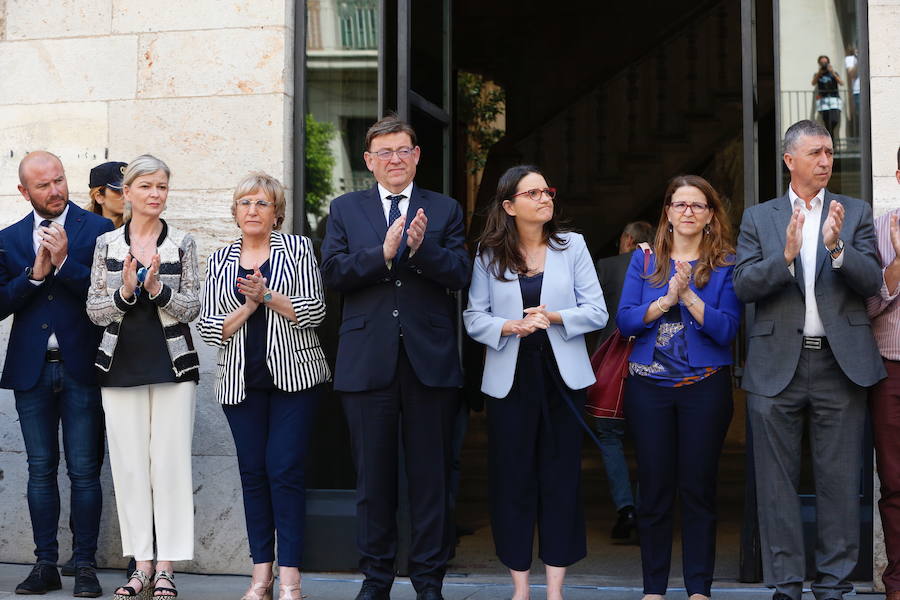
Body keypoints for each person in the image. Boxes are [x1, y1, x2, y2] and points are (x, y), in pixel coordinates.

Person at [320, 114, 470, 600]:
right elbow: (334, 274)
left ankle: (429, 581)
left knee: (431, 481)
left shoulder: (444, 209)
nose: (395, 160)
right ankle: (376, 580)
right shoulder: (345, 209)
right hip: (367, 362)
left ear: (417, 155)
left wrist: (420, 248)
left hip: (430, 361)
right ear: (368, 161)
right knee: (373, 481)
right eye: (384, 152)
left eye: (403, 150)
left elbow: (462, 274)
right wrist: (382, 254)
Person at [734, 119, 884, 600]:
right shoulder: (760, 218)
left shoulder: (854, 211)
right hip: (777, 364)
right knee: (774, 484)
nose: (825, 161)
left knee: (840, 481)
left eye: (829, 152)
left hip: (840, 366)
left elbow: (872, 281)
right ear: (789, 160)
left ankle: (835, 584)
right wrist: (785, 256)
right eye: (816, 152)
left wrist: (837, 247)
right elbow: (742, 286)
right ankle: (785, 585)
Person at [464, 165, 607, 600]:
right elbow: (473, 317)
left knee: (561, 480)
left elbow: (597, 311)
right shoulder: (489, 254)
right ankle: (520, 588)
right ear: (510, 206)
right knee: (513, 481)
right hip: (511, 383)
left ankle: (556, 590)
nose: (545, 198)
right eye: (533, 193)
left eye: (547, 190)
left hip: (562, 380)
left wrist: (554, 317)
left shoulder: (573, 246)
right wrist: (509, 327)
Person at [198, 172, 330, 600]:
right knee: (253, 475)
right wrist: (250, 304)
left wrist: (268, 296)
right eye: (245, 203)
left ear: (277, 213)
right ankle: (261, 577)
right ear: (235, 212)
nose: (252, 210)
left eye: (262, 203)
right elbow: (210, 328)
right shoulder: (219, 260)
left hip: (296, 381)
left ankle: (290, 578)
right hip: (241, 385)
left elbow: (315, 312)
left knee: (285, 470)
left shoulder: (299, 248)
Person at [617, 175, 740, 600]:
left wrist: (689, 298)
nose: (687, 211)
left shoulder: (725, 263)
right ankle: (653, 589)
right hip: (648, 390)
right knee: (653, 489)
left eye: (697, 205)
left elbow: (727, 331)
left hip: (703, 389)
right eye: (679, 204)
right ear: (667, 212)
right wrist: (664, 300)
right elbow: (626, 321)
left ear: (710, 216)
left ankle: (698, 590)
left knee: (698, 488)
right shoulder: (645, 261)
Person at [86, 154, 201, 600]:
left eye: (162, 187)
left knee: (169, 466)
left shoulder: (183, 243)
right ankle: (141, 567)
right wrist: (126, 291)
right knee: (131, 469)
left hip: (172, 365)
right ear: (128, 192)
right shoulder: (106, 244)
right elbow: (95, 311)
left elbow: (192, 308)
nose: (156, 194)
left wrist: (158, 290)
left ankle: (167, 568)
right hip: (119, 365)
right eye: (147, 186)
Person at [0, 151, 113, 597]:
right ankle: (45, 564)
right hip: (32, 371)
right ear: (24, 192)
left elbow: (108, 297)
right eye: (43, 185)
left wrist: (64, 264)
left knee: (85, 471)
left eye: (59, 180)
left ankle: (83, 565)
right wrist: (33, 275)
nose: (55, 191)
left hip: (82, 365)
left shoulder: (101, 230)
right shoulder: (7, 240)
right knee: (40, 470)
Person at [593, 220, 654, 540]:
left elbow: (592, 317)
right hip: (652, 364)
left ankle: (625, 509)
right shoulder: (662, 266)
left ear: (627, 240)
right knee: (651, 441)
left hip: (611, 365)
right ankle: (647, 510)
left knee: (609, 436)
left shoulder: (606, 266)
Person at [865, 146, 900, 600]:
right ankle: (897, 583)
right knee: (894, 483)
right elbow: (866, 306)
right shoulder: (877, 228)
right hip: (891, 369)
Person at [87, 161, 127, 228]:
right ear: (99, 197)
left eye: (130, 190)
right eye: (120, 191)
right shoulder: (83, 229)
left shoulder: (141, 229)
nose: (127, 196)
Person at [812, 55, 844, 140]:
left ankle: (830, 139)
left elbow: (841, 83)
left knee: (834, 120)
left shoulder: (834, 73)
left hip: (834, 99)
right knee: (827, 121)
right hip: (823, 100)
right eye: (822, 63)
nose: (824, 64)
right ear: (819, 64)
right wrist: (819, 73)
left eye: (825, 62)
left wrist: (832, 72)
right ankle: (832, 143)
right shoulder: (817, 74)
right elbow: (813, 83)